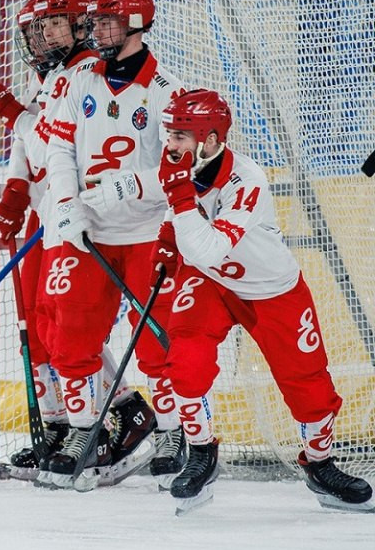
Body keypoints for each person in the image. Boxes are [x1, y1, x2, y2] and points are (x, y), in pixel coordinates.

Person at [153, 88, 374, 514]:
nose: (171, 145)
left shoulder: (246, 179)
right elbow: (181, 214)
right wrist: (166, 239)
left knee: (310, 387)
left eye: (181, 135)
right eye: (170, 134)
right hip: (214, 285)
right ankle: (201, 453)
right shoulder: (183, 166)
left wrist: (179, 198)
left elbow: (208, 248)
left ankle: (319, 464)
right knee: (185, 362)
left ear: (211, 138)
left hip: (272, 289)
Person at [0, 0, 154, 483]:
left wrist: (12, 112)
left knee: (69, 328)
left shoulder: (90, 72)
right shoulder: (50, 75)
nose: (44, 34)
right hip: (49, 213)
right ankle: (63, 424)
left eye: (53, 23)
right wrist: (13, 190)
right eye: (37, 27)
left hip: (88, 218)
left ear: (79, 25)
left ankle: (125, 414)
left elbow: (49, 137)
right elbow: (28, 147)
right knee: (45, 325)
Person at [35, 0, 187, 490]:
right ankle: (85, 434)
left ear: (136, 25)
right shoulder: (79, 83)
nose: (96, 30)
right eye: (94, 22)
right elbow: (57, 150)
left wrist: (134, 188)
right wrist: (66, 206)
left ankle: (171, 431)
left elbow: (180, 167)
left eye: (107, 22)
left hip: (148, 232)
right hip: (88, 234)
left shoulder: (166, 91)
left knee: (157, 343)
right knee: (68, 337)